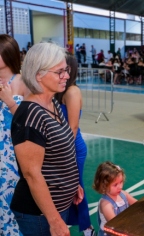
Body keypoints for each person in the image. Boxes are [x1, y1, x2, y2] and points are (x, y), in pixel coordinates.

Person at [10, 42, 82, 236]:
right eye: (59, 71)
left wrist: (71, 182)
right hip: (40, 214)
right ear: (38, 74)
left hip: (58, 205)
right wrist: (54, 220)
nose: (66, 75)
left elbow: (60, 150)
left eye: (66, 70)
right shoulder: (30, 115)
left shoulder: (52, 104)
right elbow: (32, 174)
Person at [54, 52, 94, 236]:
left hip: (72, 147)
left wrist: (63, 151)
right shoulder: (59, 89)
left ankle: (87, 227)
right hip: (63, 145)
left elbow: (73, 127)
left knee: (76, 187)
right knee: (66, 188)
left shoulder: (72, 91)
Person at [0, 34, 28, 236]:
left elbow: (29, 121)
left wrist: (10, 101)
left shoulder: (21, 81)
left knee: (9, 200)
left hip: (12, 152)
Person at [93, 161, 137, 236]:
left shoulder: (123, 194)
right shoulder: (106, 204)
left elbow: (137, 204)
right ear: (104, 186)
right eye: (115, 184)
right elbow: (115, 224)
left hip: (124, 228)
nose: (120, 186)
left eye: (121, 182)